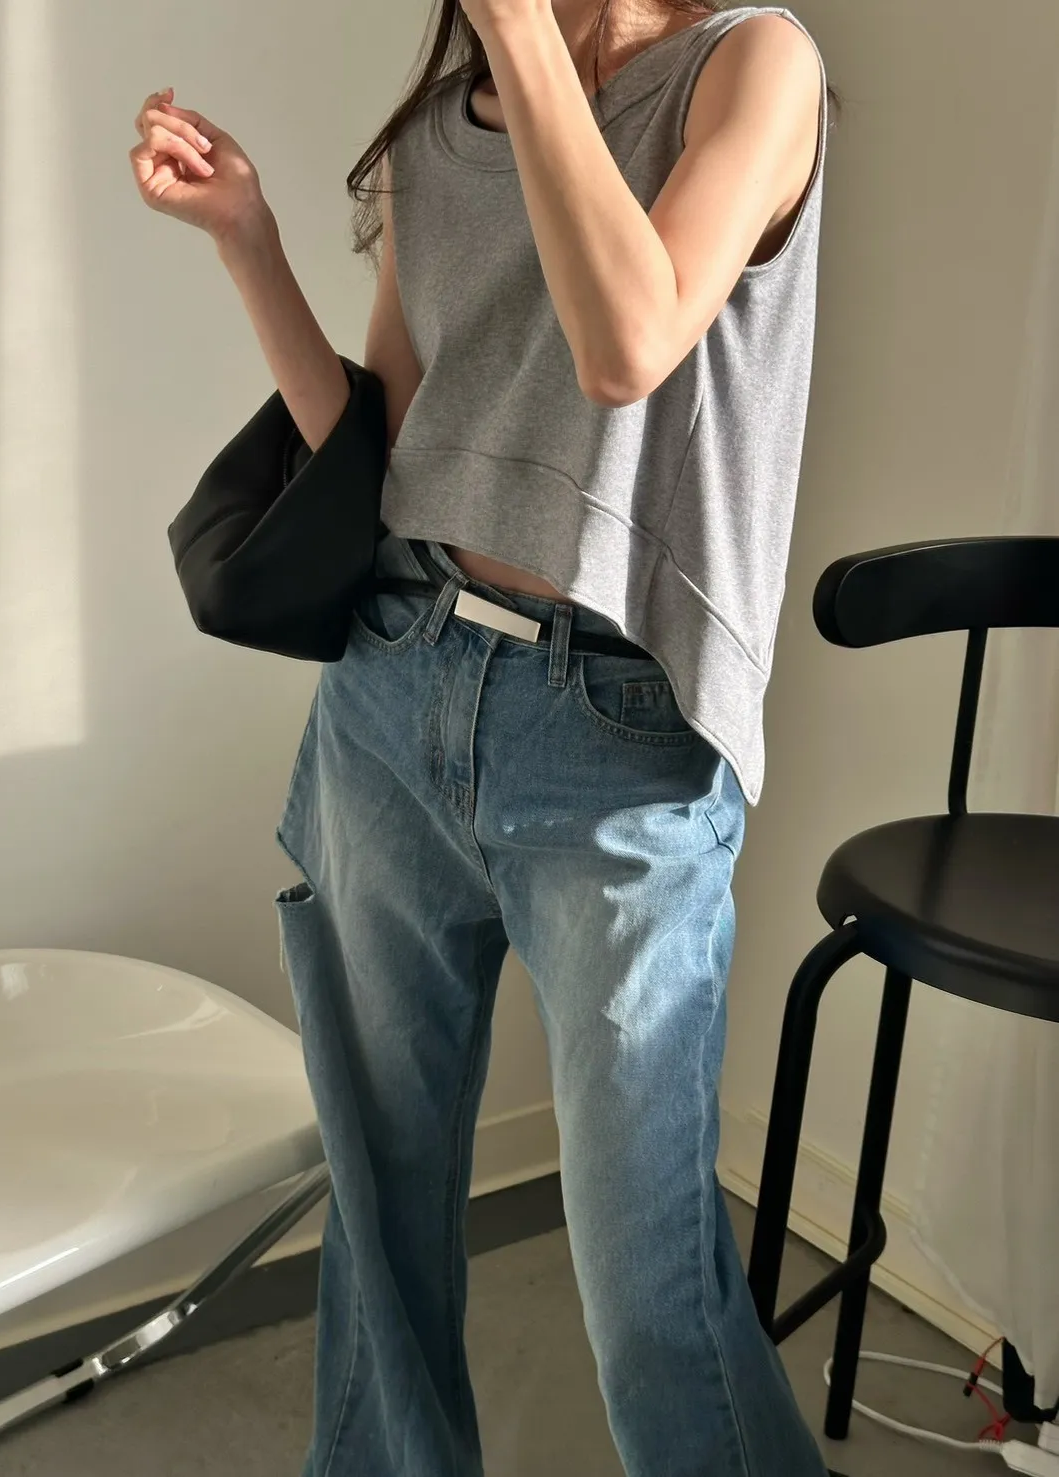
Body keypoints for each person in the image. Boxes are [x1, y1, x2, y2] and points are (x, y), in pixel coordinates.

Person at [131, 4, 838, 1473]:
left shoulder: (751, 65)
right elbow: (390, 443)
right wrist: (249, 238)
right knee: (380, 1217)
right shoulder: (442, 126)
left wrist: (521, 30)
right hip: (396, 687)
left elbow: (629, 342)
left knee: (650, 1288)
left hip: (617, 738)